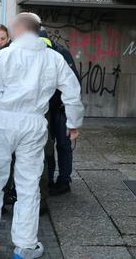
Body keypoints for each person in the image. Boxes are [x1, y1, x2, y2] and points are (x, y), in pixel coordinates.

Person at [0, 13, 84, 258]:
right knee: (29, 184)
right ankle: (25, 245)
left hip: (2, 121)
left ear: (18, 30)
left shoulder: (4, 56)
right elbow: (72, 91)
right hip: (34, 123)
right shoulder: (54, 59)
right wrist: (73, 123)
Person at [39, 28, 80, 196]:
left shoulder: (61, 54)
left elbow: (74, 82)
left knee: (63, 145)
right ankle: (48, 180)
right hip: (45, 110)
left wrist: (70, 112)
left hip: (60, 109)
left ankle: (64, 180)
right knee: (47, 147)